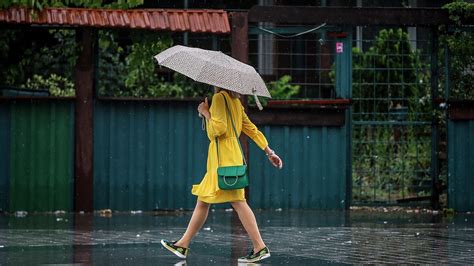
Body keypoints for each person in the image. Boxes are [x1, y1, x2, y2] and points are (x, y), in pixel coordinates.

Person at [161, 87, 283, 263]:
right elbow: (251, 129)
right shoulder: (236, 102)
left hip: (222, 159)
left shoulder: (218, 98)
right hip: (230, 157)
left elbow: (217, 130)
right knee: (204, 199)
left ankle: (260, 247)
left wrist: (205, 112)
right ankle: (183, 244)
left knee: (238, 202)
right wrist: (269, 151)